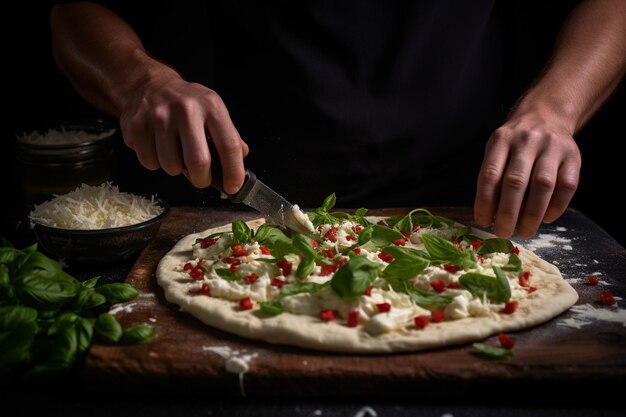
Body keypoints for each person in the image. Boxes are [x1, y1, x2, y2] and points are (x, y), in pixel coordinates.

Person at [49, 1, 626, 239]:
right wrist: (141, 81)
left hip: (476, 205)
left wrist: (553, 109)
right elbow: (74, 11)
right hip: (230, 205)